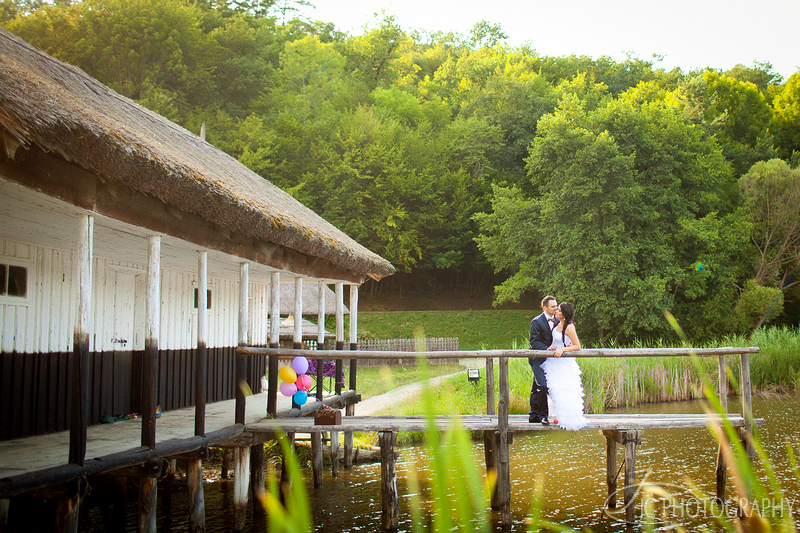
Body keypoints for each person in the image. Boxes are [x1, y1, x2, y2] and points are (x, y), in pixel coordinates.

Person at [542, 302, 588, 430]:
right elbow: (556, 341)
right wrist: (552, 347)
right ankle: (558, 415)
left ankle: (568, 418)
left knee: (565, 389)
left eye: (559, 310)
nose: (556, 311)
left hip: (564, 363)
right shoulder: (558, 325)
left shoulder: (569, 327)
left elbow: (577, 345)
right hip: (553, 362)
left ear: (565, 314)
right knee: (555, 389)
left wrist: (562, 350)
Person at [528, 295, 559, 424]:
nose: (556, 308)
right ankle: (543, 416)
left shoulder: (558, 321)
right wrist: (547, 349)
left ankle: (533, 414)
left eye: (556, 306)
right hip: (537, 359)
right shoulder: (536, 322)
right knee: (543, 385)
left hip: (551, 360)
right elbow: (534, 342)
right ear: (544, 307)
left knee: (537, 387)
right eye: (553, 306)